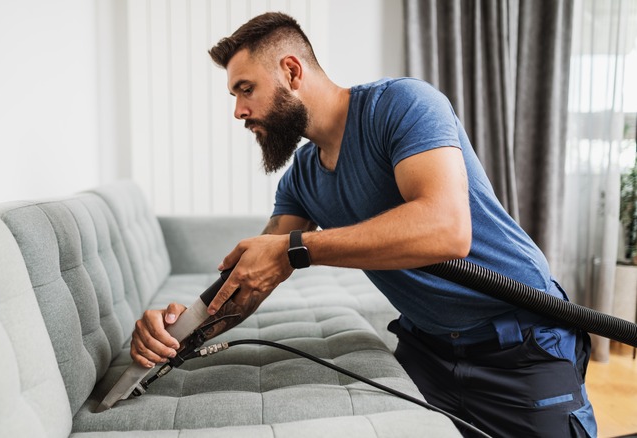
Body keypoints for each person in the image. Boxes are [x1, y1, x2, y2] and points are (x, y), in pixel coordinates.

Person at [129, 11, 597, 438]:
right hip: (428, 351)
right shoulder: (303, 179)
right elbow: (253, 276)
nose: (238, 111)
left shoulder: (402, 105)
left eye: (245, 89)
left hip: (519, 341)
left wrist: (299, 249)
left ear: (291, 72)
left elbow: (446, 228)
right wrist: (177, 329)